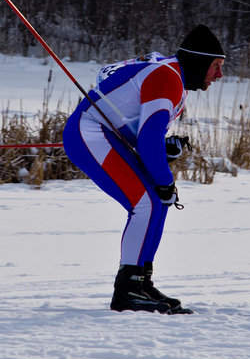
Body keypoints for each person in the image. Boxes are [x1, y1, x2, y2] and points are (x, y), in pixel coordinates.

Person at [63, 24, 225, 314]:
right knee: (147, 201)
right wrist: (164, 178)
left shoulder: (172, 77)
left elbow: (145, 134)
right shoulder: (167, 77)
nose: (219, 75)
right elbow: (148, 139)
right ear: (199, 61)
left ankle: (139, 282)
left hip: (104, 134)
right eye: (216, 66)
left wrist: (165, 150)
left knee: (155, 202)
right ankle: (127, 291)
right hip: (90, 132)